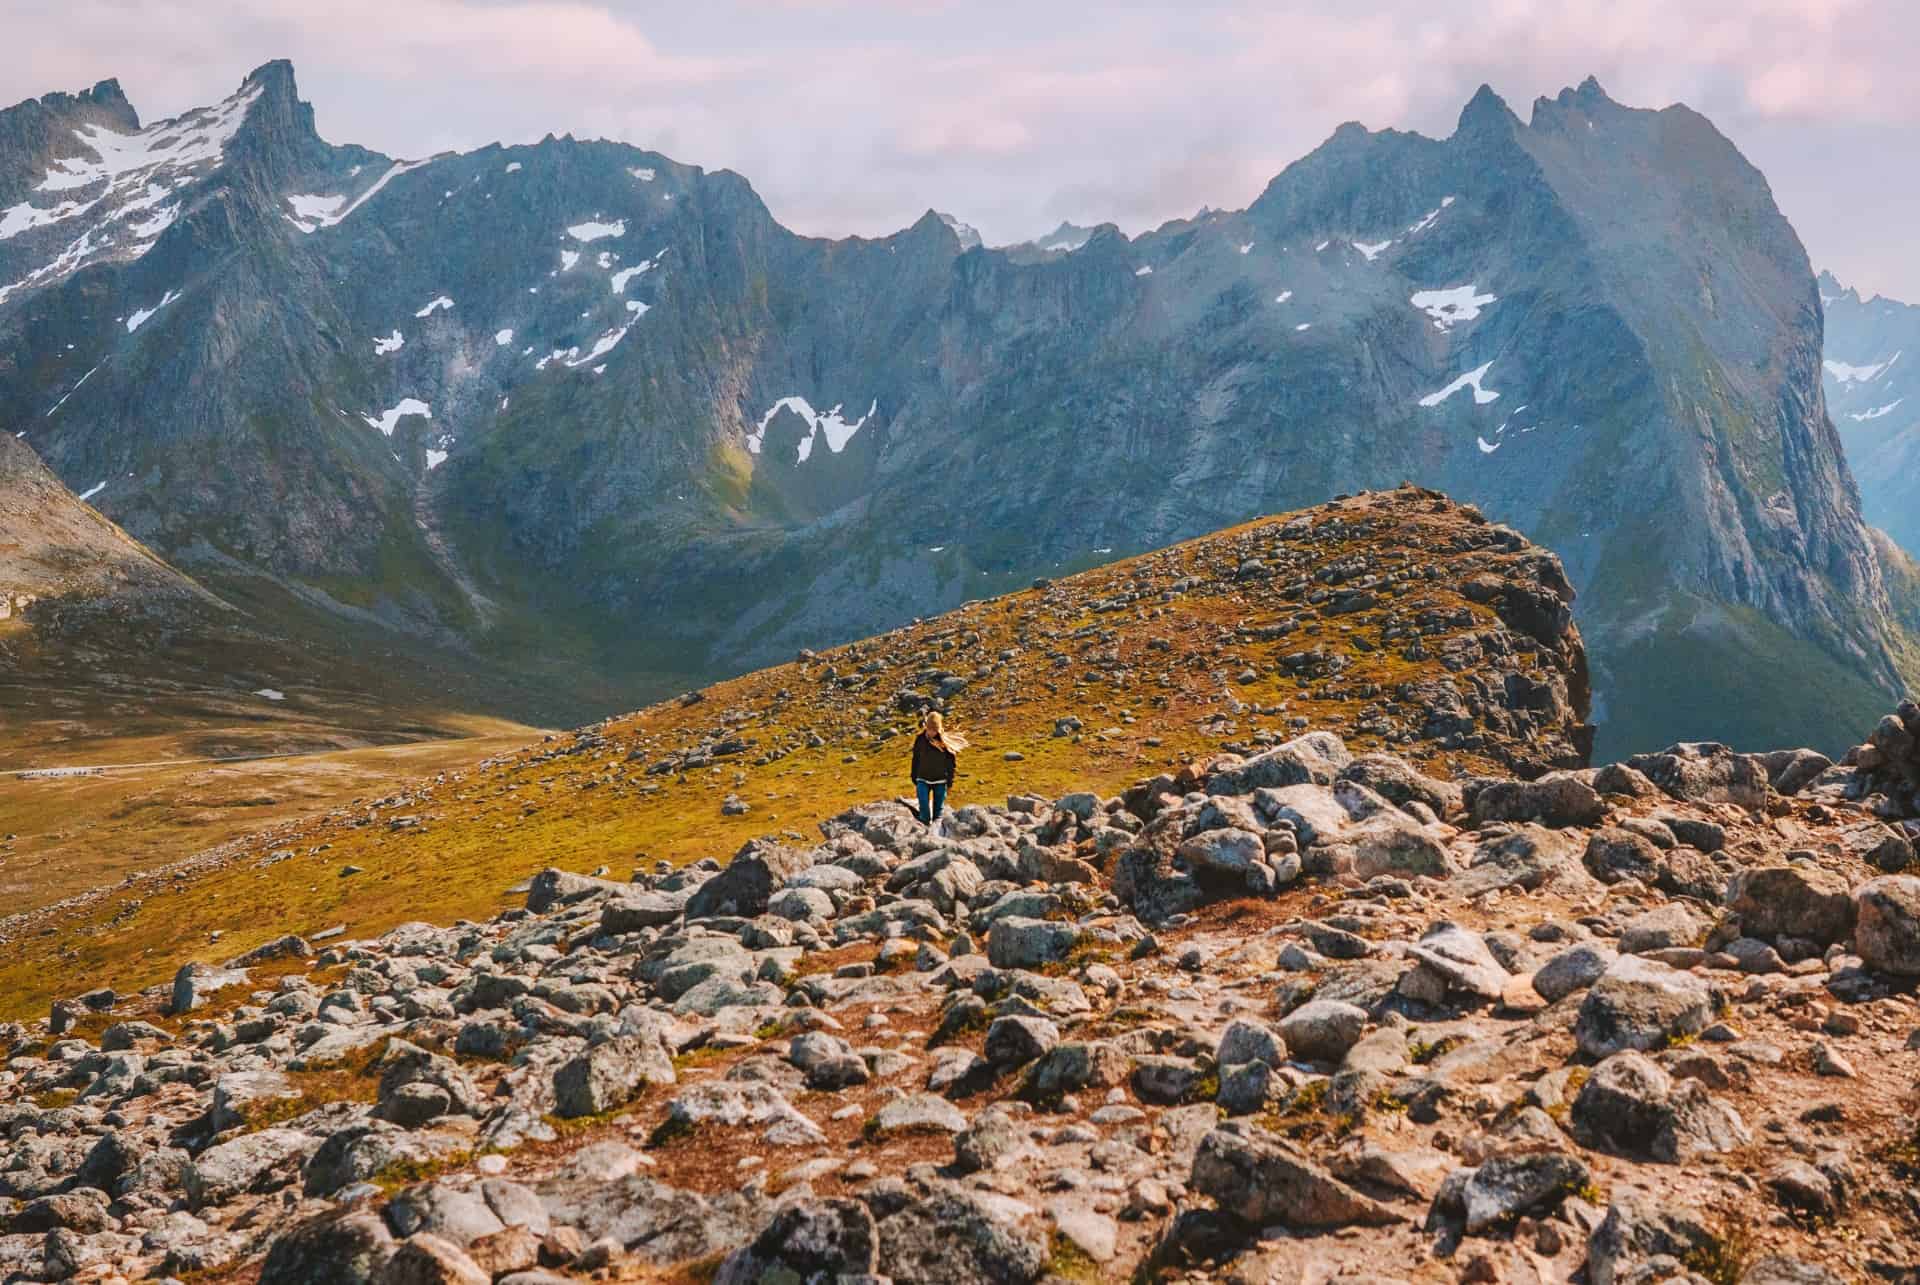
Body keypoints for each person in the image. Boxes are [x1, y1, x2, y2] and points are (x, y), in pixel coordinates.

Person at [909, 710, 967, 826]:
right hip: (922, 779)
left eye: (934, 730)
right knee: (924, 810)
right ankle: (923, 830)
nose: (931, 732)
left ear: (938, 729)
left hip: (940, 781)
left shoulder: (944, 743)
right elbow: (915, 759)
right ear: (926, 727)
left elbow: (951, 764)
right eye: (929, 729)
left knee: (938, 816)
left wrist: (949, 781)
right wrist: (914, 776)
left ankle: (935, 835)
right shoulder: (920, 739)